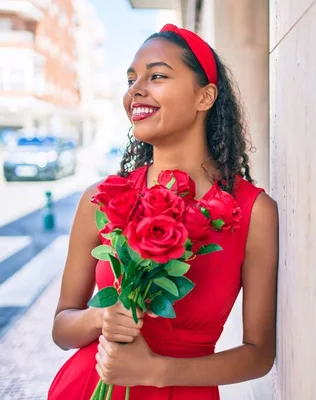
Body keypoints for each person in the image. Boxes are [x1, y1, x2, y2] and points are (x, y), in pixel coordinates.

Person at [48, 23, 278, 399]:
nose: (136, 89)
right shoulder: (103, 199)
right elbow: (62, 328)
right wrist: (101, 318)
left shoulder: (253, 211)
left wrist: (158, 371)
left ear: (204, 97)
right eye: (131, 79)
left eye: (156, 76)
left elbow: (259, 355)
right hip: (87, 385)